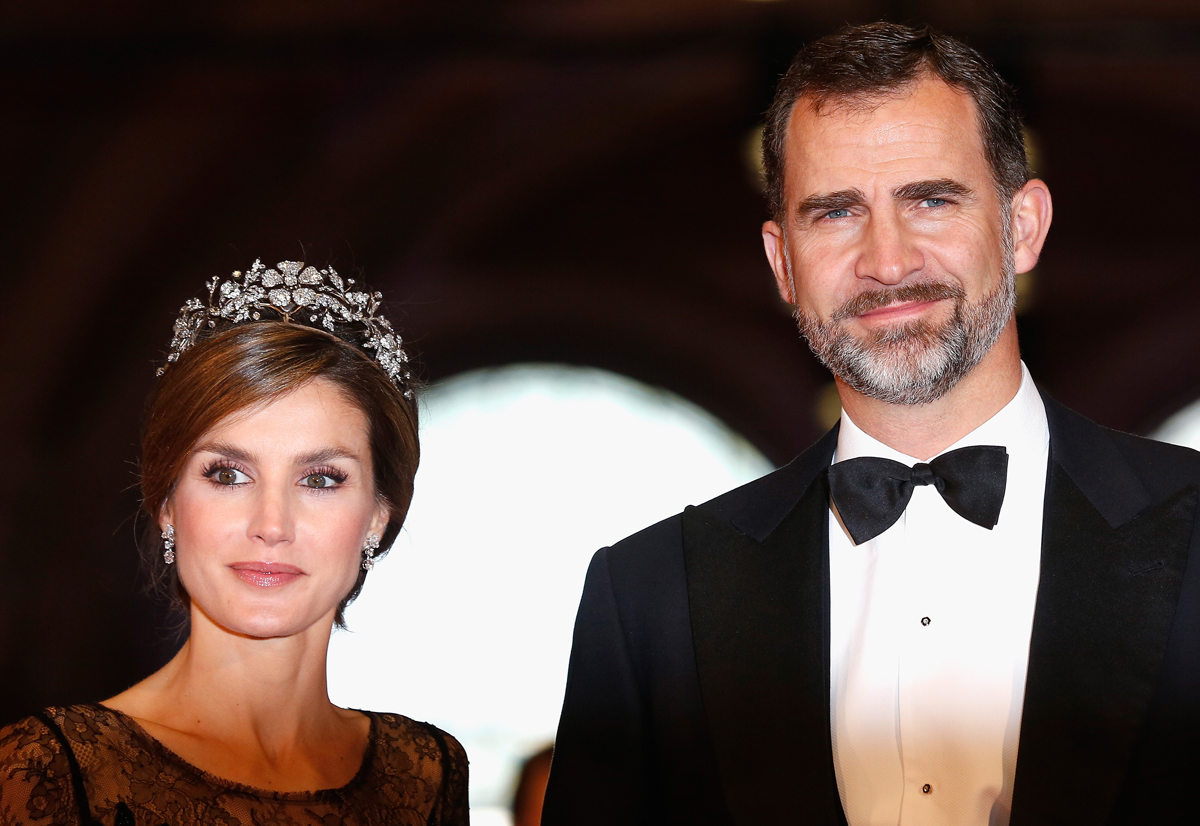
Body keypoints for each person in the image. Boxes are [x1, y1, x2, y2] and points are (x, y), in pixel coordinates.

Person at [543, 22, 1200, 826]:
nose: (887, 262)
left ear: (1022, 227)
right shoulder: (648, 599)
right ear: (783, 263)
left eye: (931, 199)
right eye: (835, 213)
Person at [0, 260, 469, 824]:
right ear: (168, 504)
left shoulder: (427, 772)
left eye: (320, 479)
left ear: (379, 514)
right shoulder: (46, 768)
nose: (271, 524)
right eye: (227, 474)